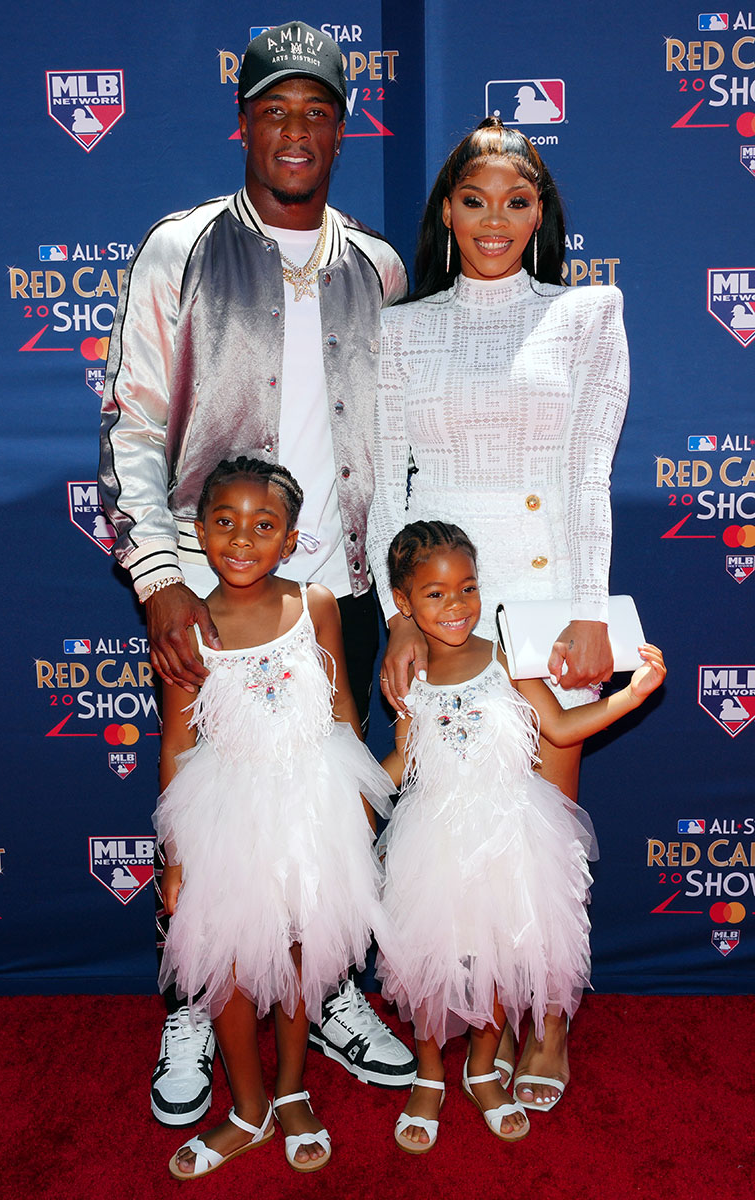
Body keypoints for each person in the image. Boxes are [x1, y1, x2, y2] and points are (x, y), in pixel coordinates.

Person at [98, 21, 414, 1123]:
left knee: (331, 811)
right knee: (203, 808)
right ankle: (195, 992)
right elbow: (134, 427)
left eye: (315, 112)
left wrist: (405, 592)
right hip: (209, 586)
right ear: (242, 123)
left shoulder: (378, 266)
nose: (295, 130)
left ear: (341, 127)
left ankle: (321, 986)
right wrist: (158, 576)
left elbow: (401, 443)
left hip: (342, 592)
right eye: (274, 110)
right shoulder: (178, 247)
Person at [366, 116, 630, 1109]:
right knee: (448, 829)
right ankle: (471, 1015)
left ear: (539, 215)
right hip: (439, 610)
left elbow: (587, 475)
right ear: (445, 209)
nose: (492, 219)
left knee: (544, 834)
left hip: (545, 596)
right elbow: (390, 486)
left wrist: (589, 608)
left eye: (515, 202)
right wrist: (398, 614)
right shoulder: (398, 328)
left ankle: (547, 1019)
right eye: (473, 200)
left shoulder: (588, 313)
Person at [377, 521, 665, 1152]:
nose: (455, 606)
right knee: (433, 963)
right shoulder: (407, 681)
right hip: (436, 840)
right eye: (434, 594)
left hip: (512, 833)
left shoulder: (507, 660)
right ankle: (429, 1075)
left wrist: (633, 694)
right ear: (402, 603)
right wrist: (351, 783)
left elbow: (560, 727)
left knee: (502, 959)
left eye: (468, 588)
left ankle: (483, 1071)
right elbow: (405, 760)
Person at [158, 456, 394, 1179]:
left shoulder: (316, 602)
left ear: (290, 540)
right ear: (198, 533)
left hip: (312, 806)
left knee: (299, 957)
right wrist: (175, 855)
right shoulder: (187, 630)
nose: (241, 539)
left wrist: (357, 813)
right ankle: (248, 1109)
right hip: (225, 815)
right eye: (224, 522)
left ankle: (291, 1091)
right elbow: (177, 744)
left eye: (264, 526)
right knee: (226, 969)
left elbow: (344, 708)